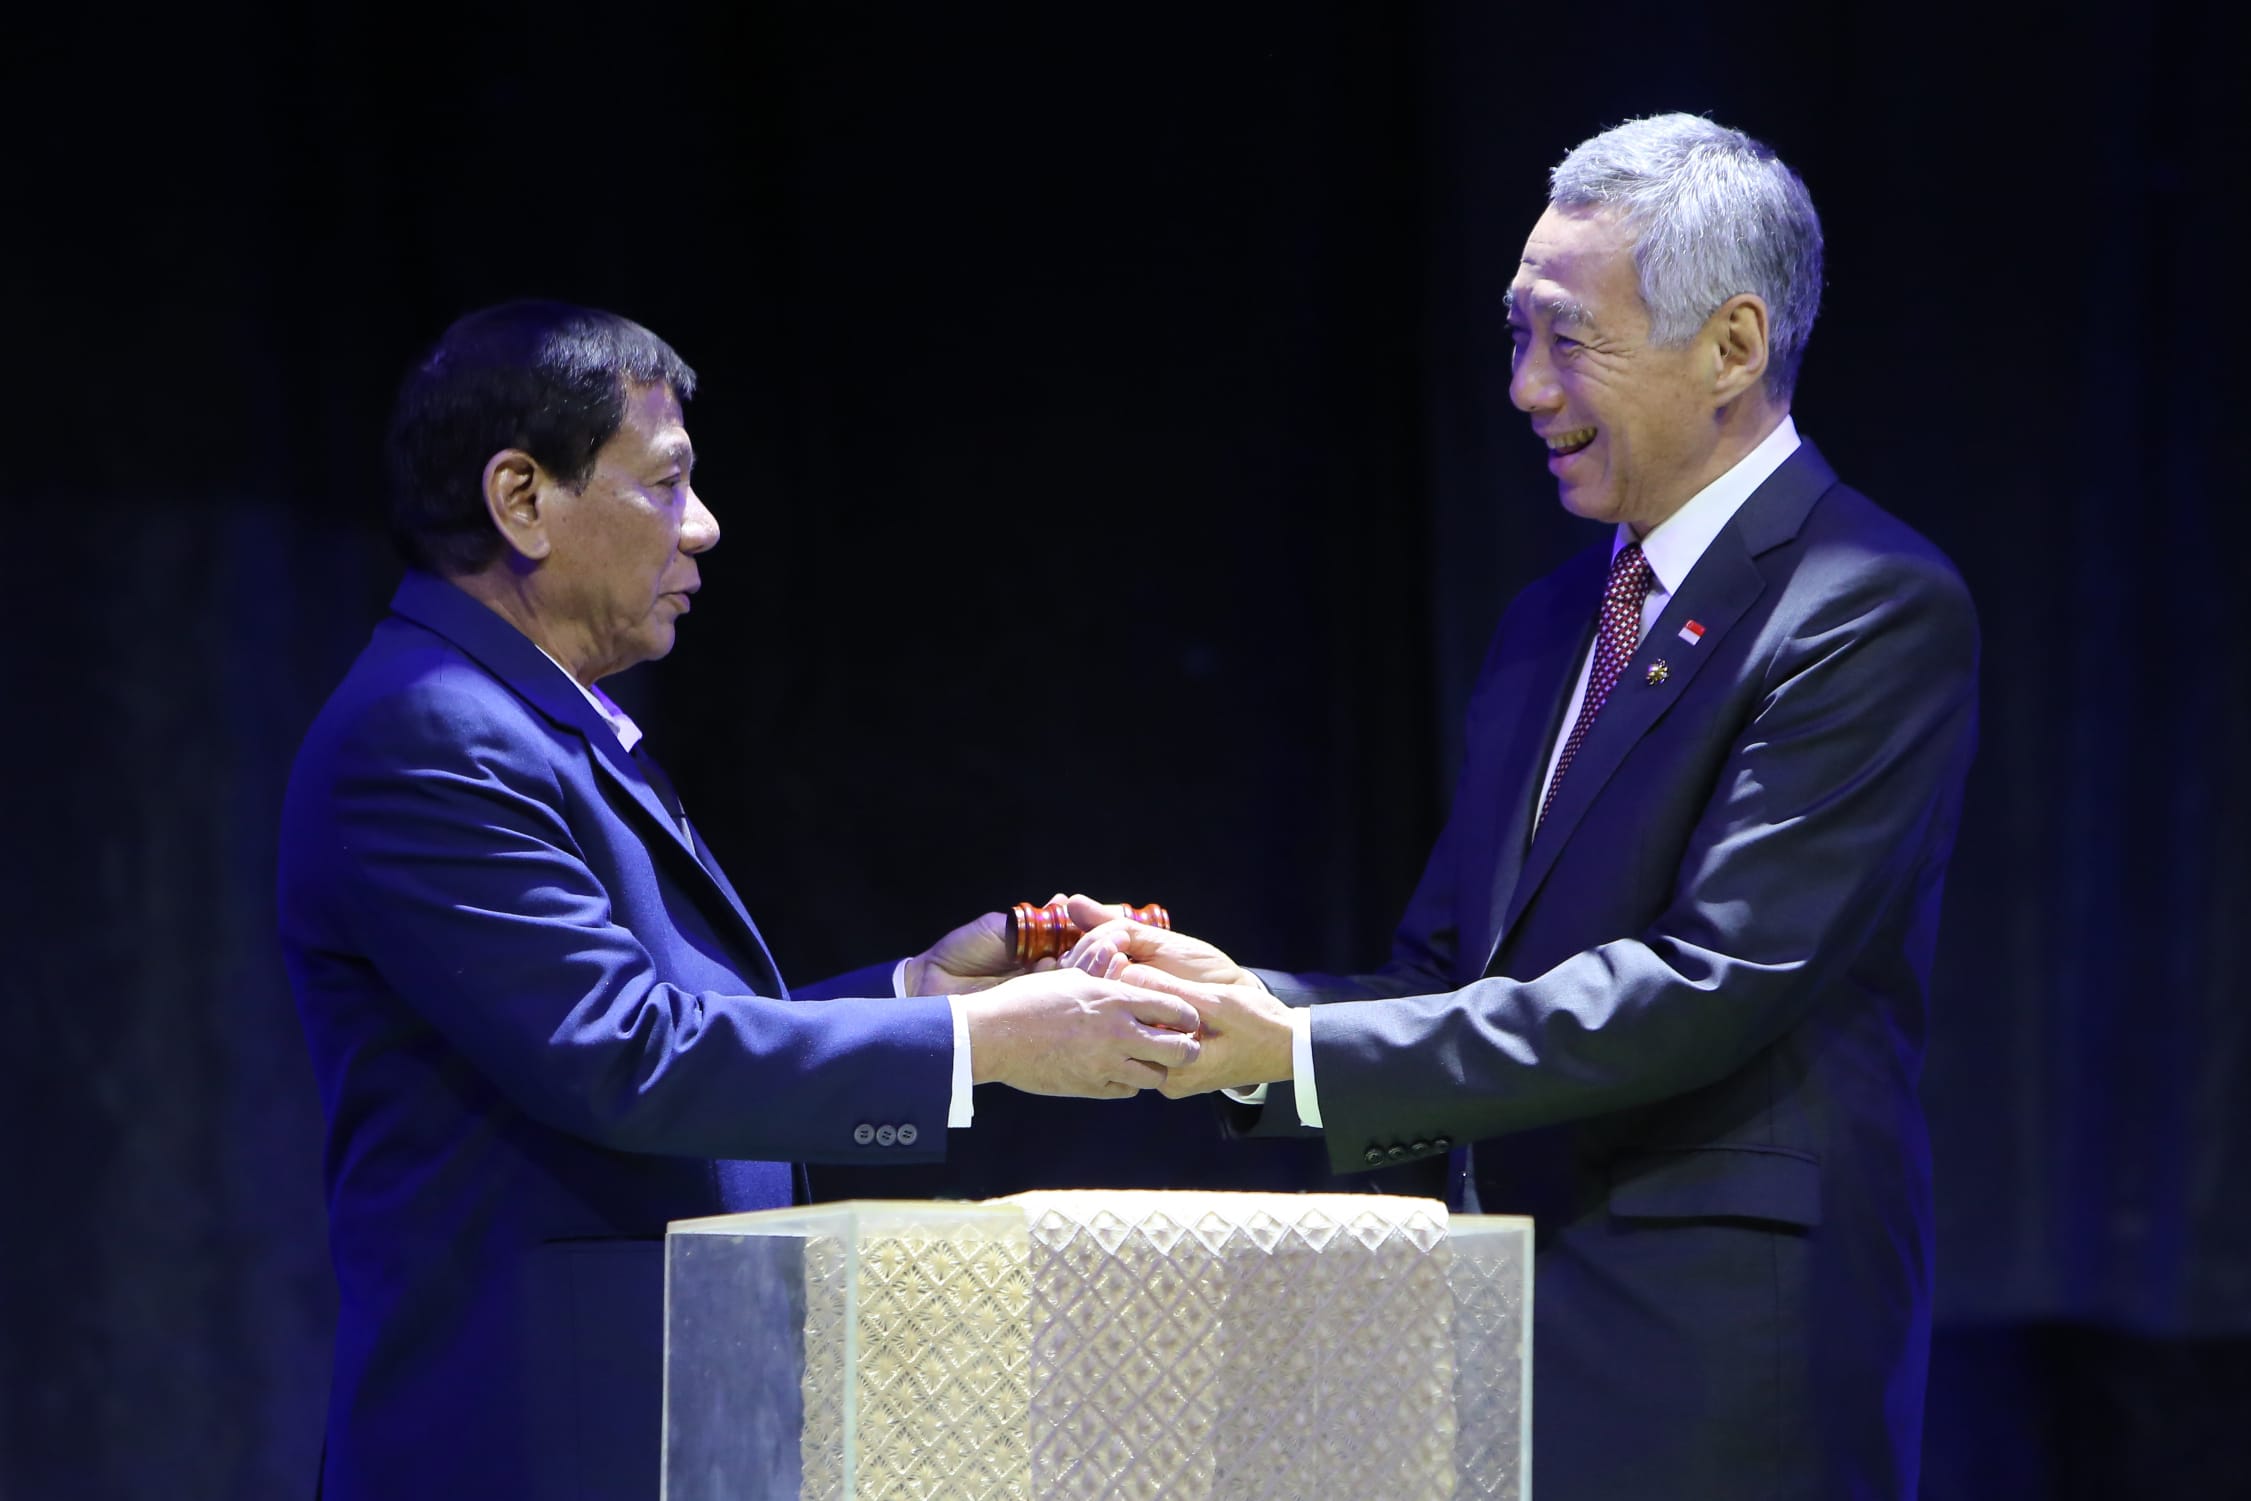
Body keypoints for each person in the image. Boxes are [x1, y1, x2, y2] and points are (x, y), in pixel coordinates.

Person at [1069, 113, 1978, 1500]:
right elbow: (1449, 975)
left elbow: (1705, 984)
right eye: (1513, 335)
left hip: (1715, 1349)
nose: (1521, 387)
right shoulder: (1552, 618)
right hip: (1485, 1317)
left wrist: (1302, 1058)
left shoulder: (1864, 603)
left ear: (1732, 346)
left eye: (1566, 339)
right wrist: (1236, 1012)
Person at [277, 300, 1200, 1501]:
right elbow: (629, 1058)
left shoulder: (540, 720)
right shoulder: (429, 732)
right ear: (521, 500)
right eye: (663, 484)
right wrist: (986, 1043)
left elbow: (669, 1023)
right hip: (532, 1445)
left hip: (646, 1424)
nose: (701, 527)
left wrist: (920, 989)